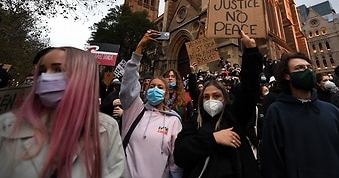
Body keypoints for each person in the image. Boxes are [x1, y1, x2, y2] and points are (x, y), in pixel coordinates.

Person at [0, 47, 127, 178]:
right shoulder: (7, 124)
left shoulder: (106, 128)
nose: (45, 77)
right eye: (42, 71)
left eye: (58, 70)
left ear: (82, 78)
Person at [261, 52, 339, 178]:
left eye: (309, 67)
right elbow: (272, 162)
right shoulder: (277, 112)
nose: (307, 71)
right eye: (299, 68)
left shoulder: (332, 110)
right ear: (287, 76)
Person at [173, 30, 263, 178]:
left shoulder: (234, 117)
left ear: (225, 99)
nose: (211, 100)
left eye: (216, 96)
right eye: (206, 97)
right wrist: (214, 139)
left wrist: (251, 50)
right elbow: (180, 154)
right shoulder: (194, 122)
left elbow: (249, 87)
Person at [119, 30, 183, 178]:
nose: (155, 89)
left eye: (160, 87)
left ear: (166, 94)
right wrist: (139, 48)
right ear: (145, 91)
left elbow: (175, 163)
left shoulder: (174, 121)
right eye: (152, 86)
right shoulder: (134, 110)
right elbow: (128, 83)